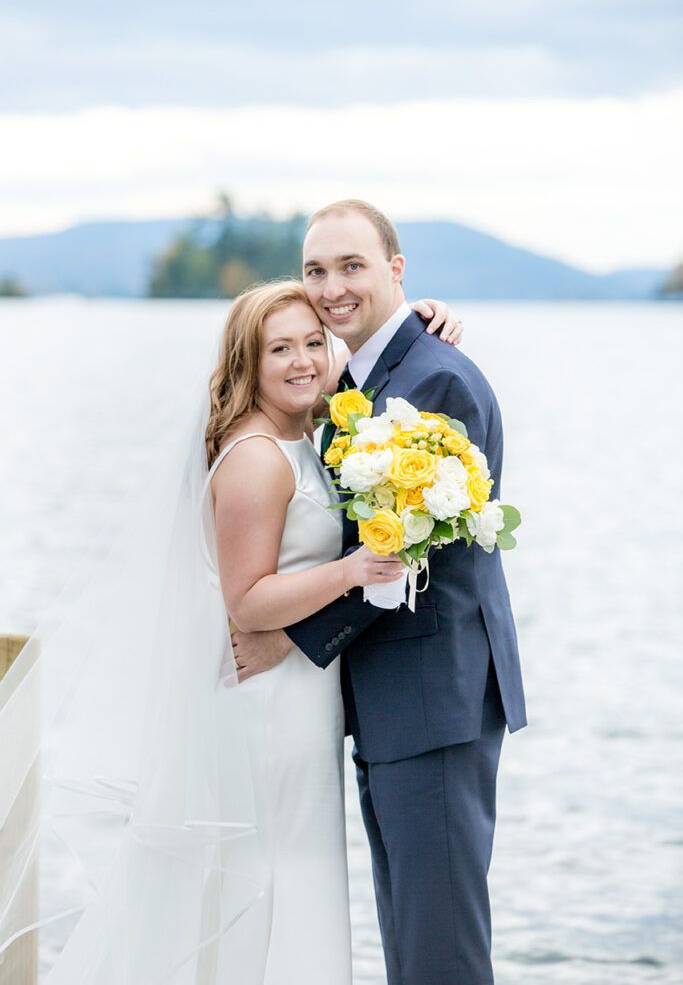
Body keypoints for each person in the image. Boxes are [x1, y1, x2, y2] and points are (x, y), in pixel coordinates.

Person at [1, 277, 460, 983]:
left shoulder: (300, 432)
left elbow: (369, 348)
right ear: (248, 362)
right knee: (264, 874)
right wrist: (352, 570)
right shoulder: (254, 456)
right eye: (280, 348)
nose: (303, 360)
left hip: (298, 695)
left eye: (314, 343)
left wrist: (423, 318)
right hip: (265, 708)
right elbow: (246, 603)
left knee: (284, 871)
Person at [231, 200, 527, 985]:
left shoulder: (432, 383)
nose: (331, 288)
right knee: (413, 933)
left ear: (396, 269)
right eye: (316, 270)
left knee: (438, 948)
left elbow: (399, 567)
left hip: (433, 698)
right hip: (399, 702)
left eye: (352, 266)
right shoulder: (367, 374)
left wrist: (286, 638)